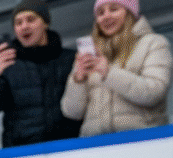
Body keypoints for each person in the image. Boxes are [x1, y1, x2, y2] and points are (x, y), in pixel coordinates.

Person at [0, 0, 82, 147]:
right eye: (18, 23)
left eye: (31, 19)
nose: (24, 26)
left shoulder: (71, 59)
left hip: (68, 149)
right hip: (23, 155)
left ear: (45, 23)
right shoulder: (8, 65)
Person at [61, 0, 172, 136]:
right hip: (95, 145)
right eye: (101, 12)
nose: (106, 16)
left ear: (130, 12)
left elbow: (154, 92)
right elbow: (72, 112)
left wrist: (109, 73)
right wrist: (78, 80)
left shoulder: (153, 43)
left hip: (143, 141)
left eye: (114, 9)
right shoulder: (90, 53)